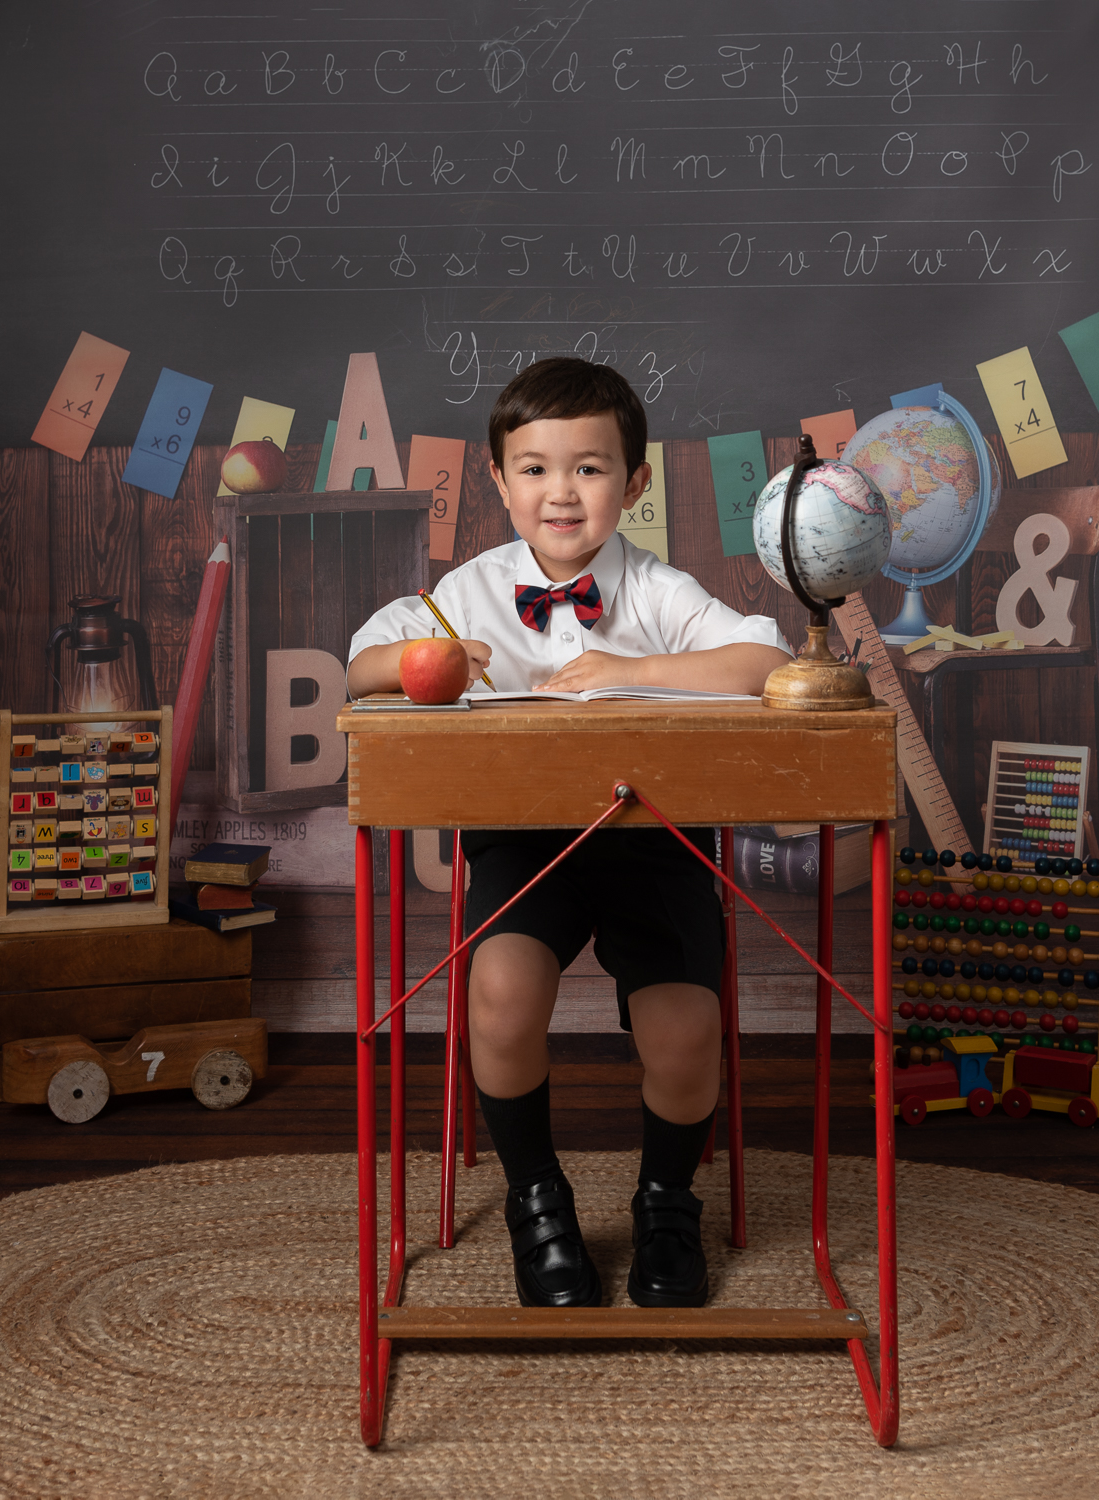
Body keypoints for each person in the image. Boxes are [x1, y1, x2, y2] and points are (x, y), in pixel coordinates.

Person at [347, 358, 791, 1310]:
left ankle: (667, 1199)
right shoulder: (464, 592)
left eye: (589, 469)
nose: (561, 492)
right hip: (523, 844)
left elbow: (769, 660)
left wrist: (641, 667)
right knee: (500, 996)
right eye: (536, 469)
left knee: (686, 1029)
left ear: (634, 484)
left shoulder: (659, 591)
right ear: (499, 480)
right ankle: (535, 1198)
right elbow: (360, 666)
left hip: (657, 842)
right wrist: (428, 658)